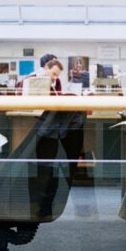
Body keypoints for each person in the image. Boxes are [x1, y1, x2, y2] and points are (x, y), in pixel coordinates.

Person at [29, 59, 86, 221]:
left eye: (57, 75)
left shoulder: (56, 83)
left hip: (54, 131)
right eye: (53, 73)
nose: (55, 77)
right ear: (45, 68)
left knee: (52, 165)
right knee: (45, 167)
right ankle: (40, 202)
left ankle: (47, 202)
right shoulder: (32, 80)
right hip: (48, 131)